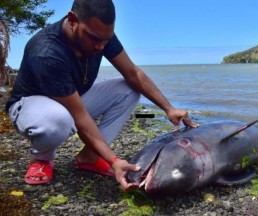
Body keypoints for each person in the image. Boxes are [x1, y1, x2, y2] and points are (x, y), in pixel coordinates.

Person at [5, 0, 198, 191]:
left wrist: (169, 108)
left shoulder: (100, 35)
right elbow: (80, 117)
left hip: (70, 98)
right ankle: (42, 159)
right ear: (73, 20)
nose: (100, 47)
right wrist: (114, 160)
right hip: (30, 106)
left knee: (129, 89)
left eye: (106, 39)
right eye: (95, 39)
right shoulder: (46, 52)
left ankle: (90, 156)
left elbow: (133, 73)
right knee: (57, 121)